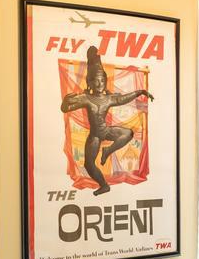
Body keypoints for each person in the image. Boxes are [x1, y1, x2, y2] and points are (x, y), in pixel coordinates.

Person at [60, 45, 151, 195]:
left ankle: (108, 150)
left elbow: (123, 98)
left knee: (128, 133)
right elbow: (65, 109)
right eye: (95, 81)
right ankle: (104, 185)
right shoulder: (86, 98)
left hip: (106, 131)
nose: (99, 84)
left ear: (105, 81)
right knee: (89, 165)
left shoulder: (109, 99)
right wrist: (65, 102)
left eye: (102, 80)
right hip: (95, 136)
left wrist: (140, 91)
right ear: (89, 83)